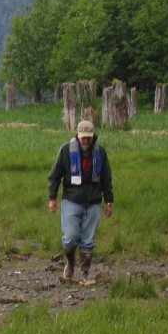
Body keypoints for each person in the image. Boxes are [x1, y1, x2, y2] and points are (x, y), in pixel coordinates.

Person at [48, 120, 113, 285]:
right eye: (83, 138)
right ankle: (70, 262)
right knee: (70, 237)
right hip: (71, 199)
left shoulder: (101, 152)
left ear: (93, 136)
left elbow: (106, 178)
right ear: (77, 135)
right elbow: (55, 176)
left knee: (88, 240)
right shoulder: (65, 151)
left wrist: (109, 201)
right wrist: (52, 199)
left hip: (93, 201)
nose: (85, 141)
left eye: (88, 138)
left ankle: (84, 274)